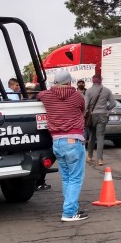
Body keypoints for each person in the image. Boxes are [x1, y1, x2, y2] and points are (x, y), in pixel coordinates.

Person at [37, 70, 87, 221]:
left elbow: (38, 95)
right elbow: (83, 109)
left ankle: (72, 207)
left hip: (57, 142)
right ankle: (69, 212)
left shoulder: (47, 95)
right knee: (75, 178)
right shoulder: (77, 95)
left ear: (55, 82)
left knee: (66, 178)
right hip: (73, 140)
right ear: (69, 82)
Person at [83, 75, 116, 166]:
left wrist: (83, 115)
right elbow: (113, 103)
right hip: (103, 115)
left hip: (92, 115)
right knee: (100, 137)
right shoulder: (107, 90)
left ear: (93, 81)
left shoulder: (88, 91)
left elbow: (86, 105)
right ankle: (100, 159)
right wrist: (106, 109)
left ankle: (89, 156)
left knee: (92, 136)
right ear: (100, 81)